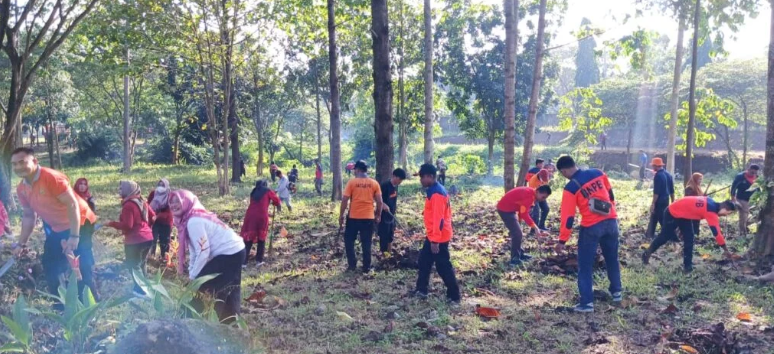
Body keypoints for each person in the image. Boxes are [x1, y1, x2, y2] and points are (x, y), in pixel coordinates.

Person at [10, 147, 98, 304]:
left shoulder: (51, 178)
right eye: (14, 164)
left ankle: (90, 302)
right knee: (50, 263)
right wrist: (21, 244)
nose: (18, 167)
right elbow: (29, 216)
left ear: (35, 161)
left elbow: (72, 205)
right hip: (57, 227)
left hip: (81, 222)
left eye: (22, 162)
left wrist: (74, 236)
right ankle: (61, 304)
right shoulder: (22, 189)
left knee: (81, 262)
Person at [555, 156, 622, 313]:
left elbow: (568, 217)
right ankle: (617, 293)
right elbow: (610, 194)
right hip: (611, 222)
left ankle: (586, 303)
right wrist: (611, 211)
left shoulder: (571, 187)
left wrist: (562, 240)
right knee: (612, 259)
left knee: (585, 266)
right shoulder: (598, 173)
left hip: (591, 227)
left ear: (564, 171)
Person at [172, 190, 245, 323]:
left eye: (178, 201)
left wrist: (195, 278)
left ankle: (190, 320)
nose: (173, 205)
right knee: (230, 288)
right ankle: (231, 323)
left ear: (187, 202)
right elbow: (195, 250)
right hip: (237, 250)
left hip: (229, 254)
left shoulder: (193, 221)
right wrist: (192, 272)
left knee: (206, 288)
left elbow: (203, 251)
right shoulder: (192, 217)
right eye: (171, 202)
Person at [642, 197, 737, 273]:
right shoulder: (711, 212)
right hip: (672, 212)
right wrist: (726, 250)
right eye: (727, 213)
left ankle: (687, 266)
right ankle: (646, 253)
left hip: (684, 215)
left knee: (689, 239)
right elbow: (717, 233)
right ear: (725, 208)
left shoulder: (711, 201)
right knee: (664, 237)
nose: (725, 215)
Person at [413, 164, 461, 303]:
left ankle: (454, 296)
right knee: (424, 261)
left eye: (422, 177)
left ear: (430, 176)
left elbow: (438, 219)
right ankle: (421, 290)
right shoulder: (434, 190)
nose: (421, 180)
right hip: (434, 235)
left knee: (443, 266)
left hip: (439, 237)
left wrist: (435, 241)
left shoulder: (437, 194)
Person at [106, 181, 155, 297]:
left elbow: (128, 225)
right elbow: (153, 216)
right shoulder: (142, 202)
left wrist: (111, 223)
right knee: (141, 263)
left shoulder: (128, 205)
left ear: (128, 190)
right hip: (148, 238)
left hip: (135, 241)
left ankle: (141, 291)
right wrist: (146, 228)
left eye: (121, 188)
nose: (119, 190)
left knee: (133, 265)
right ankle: (145, 287)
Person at [338, 160, 382, 273]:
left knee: (349, 240)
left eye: (354, 170)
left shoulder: (352, 183)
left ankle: (352, 265)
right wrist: (378, 214)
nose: (354, 172)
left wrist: (341, 215)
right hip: (368, 217)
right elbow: (380, 202)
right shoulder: (374, 183)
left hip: (353, 217)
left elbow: (345, 200)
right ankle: (366, 267)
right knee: (366, 242)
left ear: (357, 170)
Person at [496, 186, 551, 266]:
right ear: (537, 192)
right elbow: (524, 214)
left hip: (511, 210)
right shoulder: (529, 196)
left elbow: (522, 210)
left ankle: (520, 254)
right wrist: (535, 227)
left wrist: (520, 220)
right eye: (543, 197)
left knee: (518, 232)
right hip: (505, 210)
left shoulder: (532, 193)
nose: (543, 200)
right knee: (517, 233)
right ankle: (514, 259)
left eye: (545, 198)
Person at [241, 180, 281, 268]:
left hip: (250, 216)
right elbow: (276, 200)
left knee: (248, 239)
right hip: (262, 217)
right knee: (261, 238)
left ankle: (244, 262)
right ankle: (259, 261)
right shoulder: (267, 190)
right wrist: (277, 205)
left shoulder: (253, 192)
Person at [378, 168, 407, 256]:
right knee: (384, 235)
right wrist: (383, 205)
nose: (400, 181)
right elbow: (377, 198)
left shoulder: (395, 187)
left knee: (390, 235)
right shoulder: (384, 186)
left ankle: (389, 253)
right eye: (399, 179)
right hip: (384, 215)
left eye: (401, 180)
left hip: (391, 214)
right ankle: (384, 255)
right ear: (394, 176)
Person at [645, 158, 674, 239]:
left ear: (655, 166)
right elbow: (672, 190)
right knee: (654, 216)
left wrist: (653, 203)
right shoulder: (668, 175)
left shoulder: (658, 176)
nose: (652, 167)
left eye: (653, 166)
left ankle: (670, 235)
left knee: (662, 219)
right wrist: (673, 201)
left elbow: (656, 192)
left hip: (659, 200)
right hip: (666, 200)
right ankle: (649, 234)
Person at [148, 179, 174, 261]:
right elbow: (148, 206)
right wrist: (152, 216)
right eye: (159, 185)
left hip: (166, 221)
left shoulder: (170, 196)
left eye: (163, 185)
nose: (160, 187)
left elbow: (169, 211)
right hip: (154, 221)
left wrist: (157, 216)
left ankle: (164, 258)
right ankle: (151, 257)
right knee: (152, 239)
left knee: (165, 241)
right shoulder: (153, 193)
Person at [731, 164, 760, 236]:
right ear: (748, 169)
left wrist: (760, 197)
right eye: (752, 172)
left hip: (752, 200)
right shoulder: (740, 177)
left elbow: (758, 187)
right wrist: (733, 198)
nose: (753, 174)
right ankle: (742, 234)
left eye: (755, 173)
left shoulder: (756, 177)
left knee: (754, 215)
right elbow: (734, 187)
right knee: (743, 216)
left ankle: (745, 227)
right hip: (742, 199)